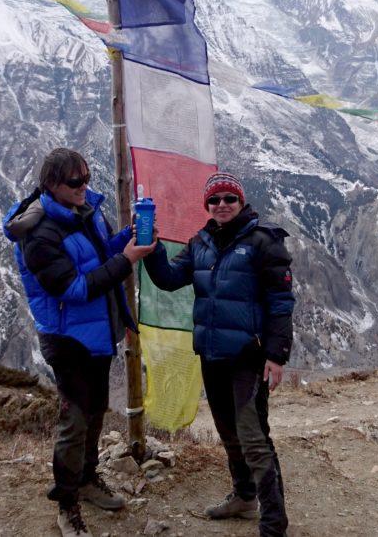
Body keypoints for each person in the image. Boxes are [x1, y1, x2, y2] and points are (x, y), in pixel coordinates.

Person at [3, 147, 156, 537]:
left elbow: (100, 254)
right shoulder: (38, 235)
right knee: (74, 421)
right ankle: (67, 505)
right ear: (52, 185)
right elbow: (73, 288)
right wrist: (128, 260)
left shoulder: (84, 211)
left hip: (98, 333)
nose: (84, 186)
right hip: (68, 339)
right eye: (76, 181)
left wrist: (129, 237)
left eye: (86, 177)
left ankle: (87, 480)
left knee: (96, 411)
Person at [143, 172, 294, 537]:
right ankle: (244, 497)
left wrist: (276, 356)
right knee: (228, 431)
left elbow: (280, 302)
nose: (222, 204)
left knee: (253, 435)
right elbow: (166, 279)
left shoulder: (263, 242)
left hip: (248, 356)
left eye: (229, 198)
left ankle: (274, 522)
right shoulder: (200, 243)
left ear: (241, 201)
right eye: (214, 200)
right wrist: (152, 245)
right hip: (212, 355)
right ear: (206, 206)